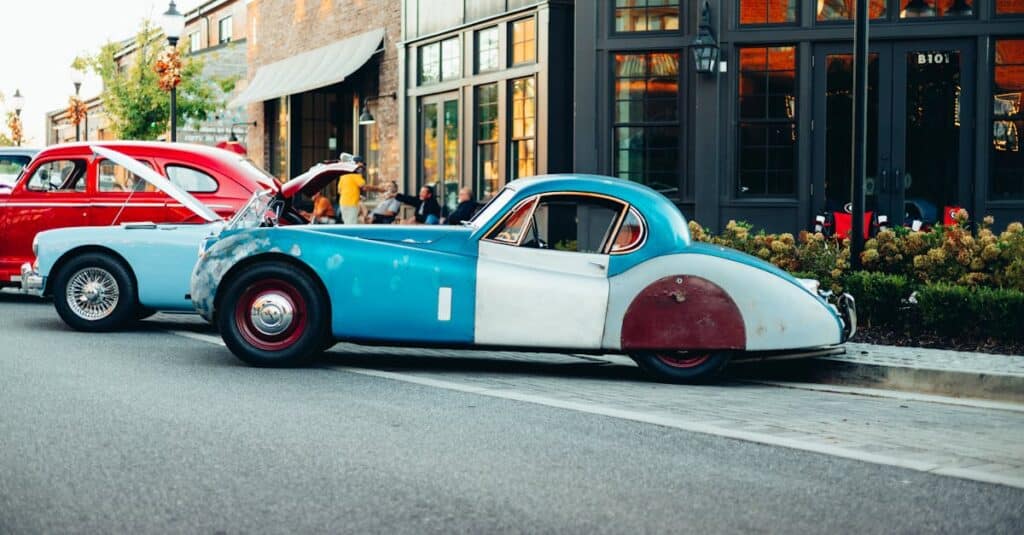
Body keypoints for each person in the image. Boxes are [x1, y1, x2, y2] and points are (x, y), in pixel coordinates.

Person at [336, 156, 385, 224]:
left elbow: (340, 190)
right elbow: (365, 187)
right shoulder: (355, 174)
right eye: (362, 165)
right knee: (351, 225)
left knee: (347, 223)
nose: (363, 167)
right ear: (357, 163)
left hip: (343, 203)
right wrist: (379, 189)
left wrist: (356, 194)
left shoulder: (344, 175)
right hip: (351, 203)